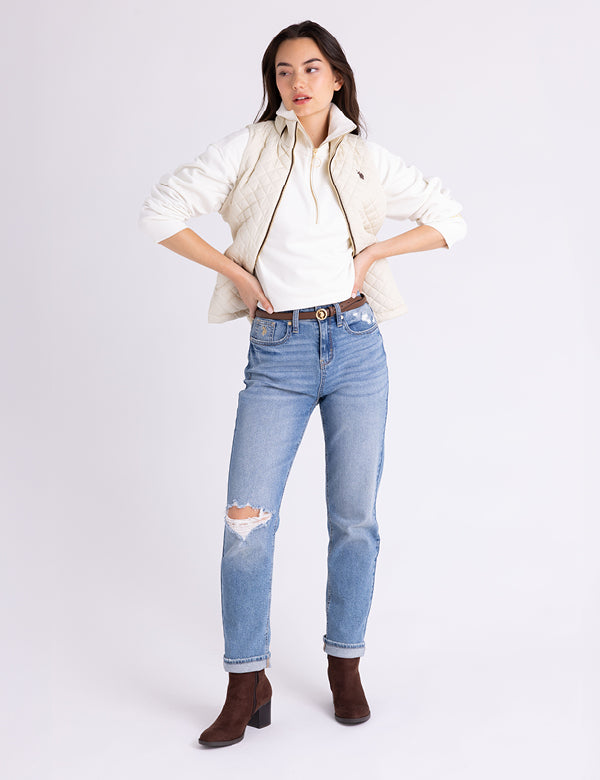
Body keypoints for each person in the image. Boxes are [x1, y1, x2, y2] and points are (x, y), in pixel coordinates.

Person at [138, 19, 467, 747]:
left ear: (337, 77)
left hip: (356, 346)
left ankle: (344, 665)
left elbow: (451, 219)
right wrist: (234, 271)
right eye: (283, 71)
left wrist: (374, 254)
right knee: (246, 524)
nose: (297, 83)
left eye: (311, 68)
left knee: (354, 519)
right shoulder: (250, 148)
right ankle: (245, 681)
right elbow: (159, 211)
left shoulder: (366, 159)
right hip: (277, 352)